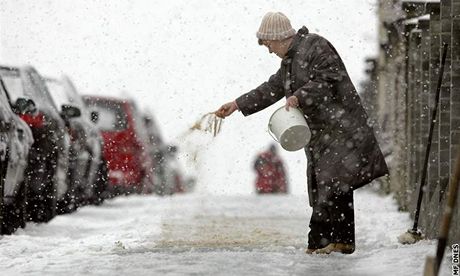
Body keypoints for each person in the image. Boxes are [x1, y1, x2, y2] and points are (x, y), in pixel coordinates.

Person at [215, 12, 389, 254]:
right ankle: (342, 241)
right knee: (333, 184)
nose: (268, 50)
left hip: (340, 128)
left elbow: (329, 79)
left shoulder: (315, 46)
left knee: (329, 184)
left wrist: (300, 95)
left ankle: (319, 242)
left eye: (268, 44)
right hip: (322, 132)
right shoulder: (289, 62)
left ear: (279, 37)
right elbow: (271, 89)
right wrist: (237, 104)